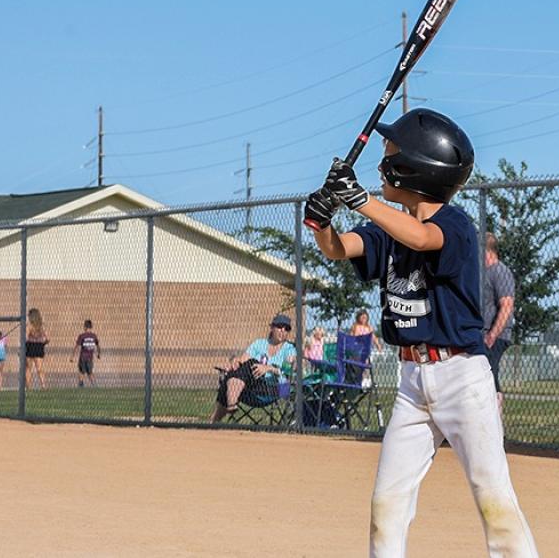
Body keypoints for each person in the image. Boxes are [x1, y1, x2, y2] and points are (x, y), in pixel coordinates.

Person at [304, 107, 538, 557]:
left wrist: (359, 199)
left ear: (413, 168)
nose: (381, 162)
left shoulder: (455, 226)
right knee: (386, 504)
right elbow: (341, 249)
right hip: (411, 384)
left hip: (462, 379)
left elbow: (422, 238)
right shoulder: (388, 229)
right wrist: (322, 221)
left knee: (495, 500)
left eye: (390, 154)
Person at [210, 314, 297, 422]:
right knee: (242, 366)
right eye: (279, 326)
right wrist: (235, 362)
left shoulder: (289, 349)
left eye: (286, 328)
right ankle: (230, 404)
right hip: (250, 389)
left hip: (274, 389)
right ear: (272, 328)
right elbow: (242, 361)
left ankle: (216, 418)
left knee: (243, 368)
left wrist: (268, 368)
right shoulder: (259, 343)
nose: (282, 330)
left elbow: (290, 370)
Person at [482, 232, 516, 406]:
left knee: (489, 375)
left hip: (495, 335)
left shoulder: (500, 271)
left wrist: (492, 335)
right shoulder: (483, 273)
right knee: (483, 377)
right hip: (483, 333)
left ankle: (495, 426)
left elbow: (507, 305)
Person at [24, 308, 49, 390]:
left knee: (28, 368)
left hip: (30, 346)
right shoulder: (42, 326)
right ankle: (43, 385)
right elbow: (47, 339)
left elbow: (26, 338)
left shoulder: (29, 325)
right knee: (40, 368)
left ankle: (28, 386)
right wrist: (43, 343)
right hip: (39, 346)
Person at [71, 320, 101, 388]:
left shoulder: (82, 336)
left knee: (81, 371)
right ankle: (94, 386)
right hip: (90, 358)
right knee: (90, 372)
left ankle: (81, 385)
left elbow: (77, 347)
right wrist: (99, 354)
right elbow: (98, 346)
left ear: (85, 327)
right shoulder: (94, 336)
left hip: (83, 357)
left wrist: (72, 356)